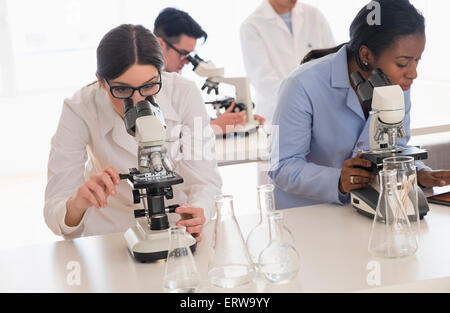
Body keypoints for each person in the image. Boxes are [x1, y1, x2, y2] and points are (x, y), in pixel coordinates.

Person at [44, 24, 222, 240]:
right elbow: (55, 215)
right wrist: (77, 203)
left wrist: (199, 210)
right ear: (101, 81)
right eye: (122, 89)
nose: (138, 101)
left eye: (149, 86)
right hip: (112, 233)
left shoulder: (184, 94)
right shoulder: (80, 107)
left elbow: (205, 181)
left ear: (161, 73)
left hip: (178, 230)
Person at [269, 0, 450, 209]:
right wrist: (338, 180)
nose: (413, 73)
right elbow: (282, 166)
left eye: (417, 60)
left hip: (361, 214)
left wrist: (418, 172)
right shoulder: (302, 85)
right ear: (366, 55)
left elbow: (394, 149)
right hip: (307, 216)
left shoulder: (397, 85)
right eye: (402, 63)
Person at [154, 7, 265, 135]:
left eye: (190, 55)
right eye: (183, 54)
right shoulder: (147, 85)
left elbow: (187, 124)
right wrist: (214, 127)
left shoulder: (175, 82)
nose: (187, 62)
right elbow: (167, 138)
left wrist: (238, 120)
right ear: (161, 44)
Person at [240, 0, 335, 125]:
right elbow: (264, 81)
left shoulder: (314, 15)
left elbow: (333, 63)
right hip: (277, 115)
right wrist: (305, 103)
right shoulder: (252, 26)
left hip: (321, 112)